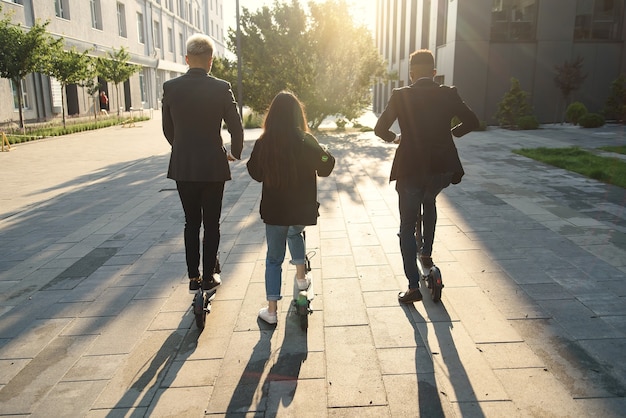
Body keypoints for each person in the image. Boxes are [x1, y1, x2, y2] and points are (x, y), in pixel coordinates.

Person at [374, 49, 479, 304]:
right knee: (429, 200)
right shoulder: (448, 93)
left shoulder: (402, 96)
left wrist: (395, 138)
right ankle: (427, 255)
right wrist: (453, 132)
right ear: (434, 73)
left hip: (410, 167)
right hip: (441, 168)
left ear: (411, 74)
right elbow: (472, 121)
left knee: (407, 225)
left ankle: (412, 287)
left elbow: (380, 128)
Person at [162, 33, 244, 294]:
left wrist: (182, 147)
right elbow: (236, 126)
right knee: (212, 223)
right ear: (211, 61)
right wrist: (235, 151)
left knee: (191, 222)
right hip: (213, 166)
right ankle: (209, 276)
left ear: (187, 59)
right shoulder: (221, 88)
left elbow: (167, 128)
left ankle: (193, 277)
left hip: (184, 166)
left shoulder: (171, 88)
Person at [247, 91, 335, 324]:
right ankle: (301, 278)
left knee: (274, 259)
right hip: (301, 209)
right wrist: (324, 153)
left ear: (272, 115)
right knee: (296, 233)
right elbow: (326, 166)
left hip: (275, 211)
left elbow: (255, 173)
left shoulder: (264, 142)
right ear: (298, 114)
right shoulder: (306, 140)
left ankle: (272, 311)